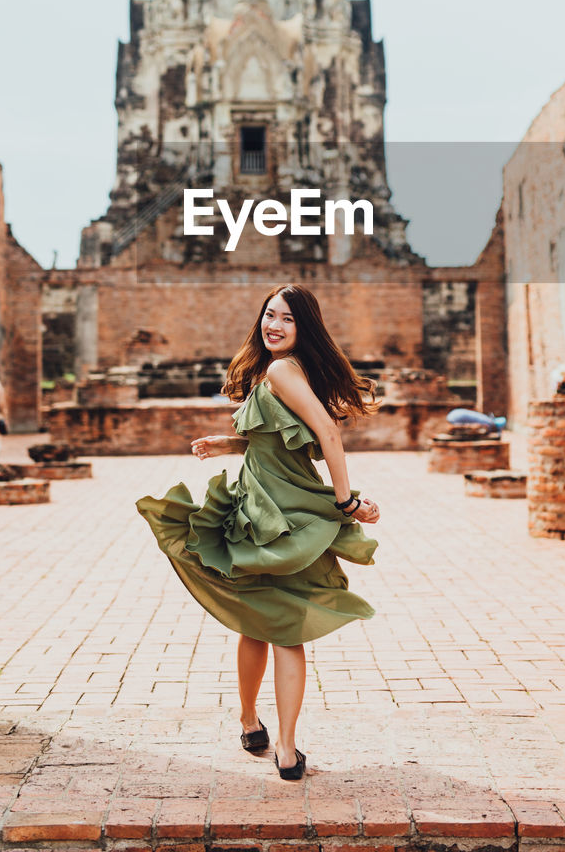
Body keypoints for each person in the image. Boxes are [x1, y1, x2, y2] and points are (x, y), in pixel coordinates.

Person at [137, 283, 380, 780]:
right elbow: (282, 441)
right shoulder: (291, 371)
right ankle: (283, 749)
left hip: (271, 513)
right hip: (278, 511)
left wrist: (347, 500)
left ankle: (254, 723)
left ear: (303, 327)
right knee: (281, 629)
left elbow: (328, 434)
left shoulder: (281, 370)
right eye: (270, 314)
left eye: (288, 319)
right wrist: (229, 444)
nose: (274, 325)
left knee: (260, 624)